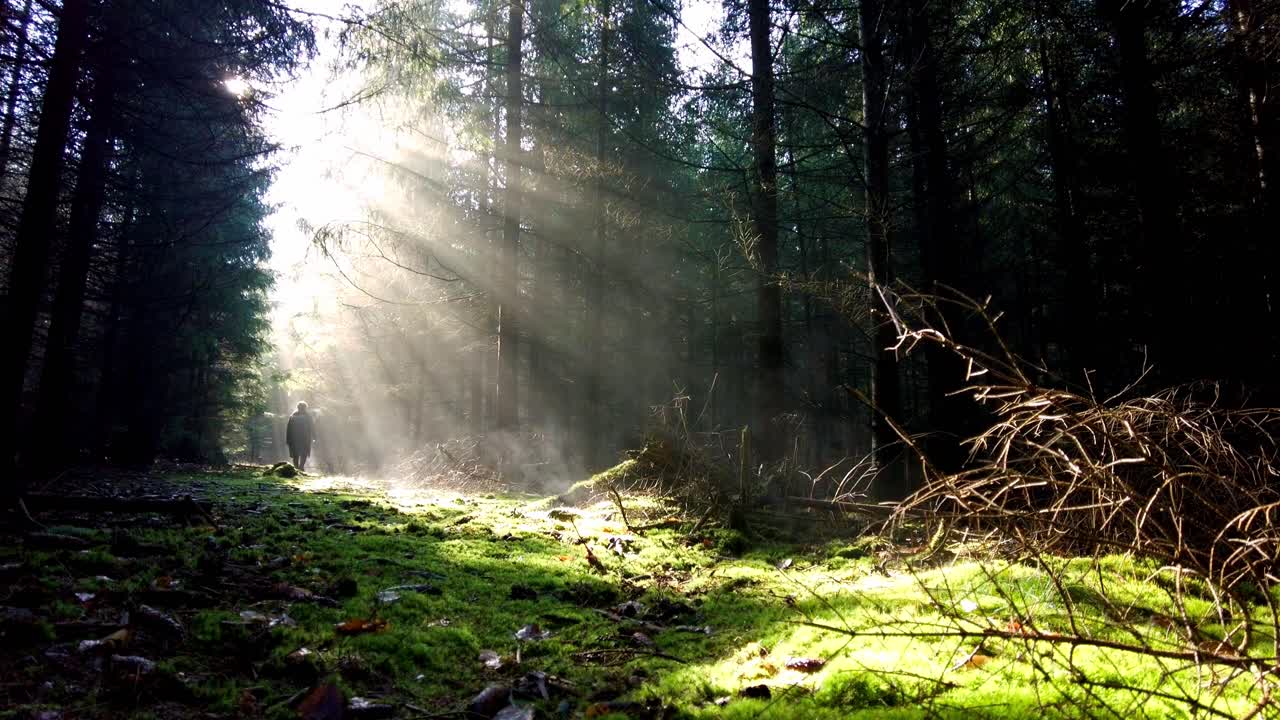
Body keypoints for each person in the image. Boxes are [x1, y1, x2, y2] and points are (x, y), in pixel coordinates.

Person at [285, 401, 314, 471]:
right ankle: (299, 468)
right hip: (303, 438)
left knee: (297, 454)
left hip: (297, 439)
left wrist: (288, 439)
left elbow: (288, 429)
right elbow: (312, 428)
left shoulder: (293, 416)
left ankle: (298, 468)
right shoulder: (306, 416)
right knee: (301, 454)